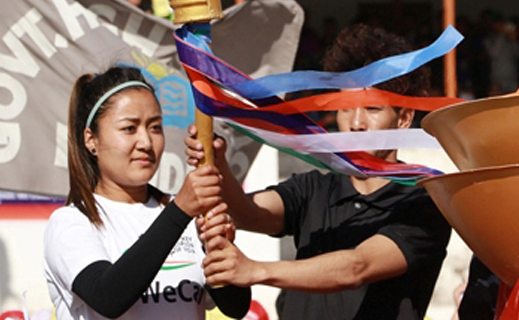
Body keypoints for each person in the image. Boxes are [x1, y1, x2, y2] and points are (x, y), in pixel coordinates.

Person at [186, 24, 452, 320]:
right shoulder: (314, 188)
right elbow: (248, 212)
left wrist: (255, 270)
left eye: (372, 110)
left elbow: (357, 267)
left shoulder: (424, 201)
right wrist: (218, 159)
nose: (356, 123)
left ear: (403, 118)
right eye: (346, 108)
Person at [44, 66, 250, 320]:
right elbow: (107, 297)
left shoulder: (184, 214)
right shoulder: (71, 222)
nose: (146, 142)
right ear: (91, 140)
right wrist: (180, 212)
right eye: (129, 128)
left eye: (154, 127)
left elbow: (236, 308)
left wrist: (220, 247)